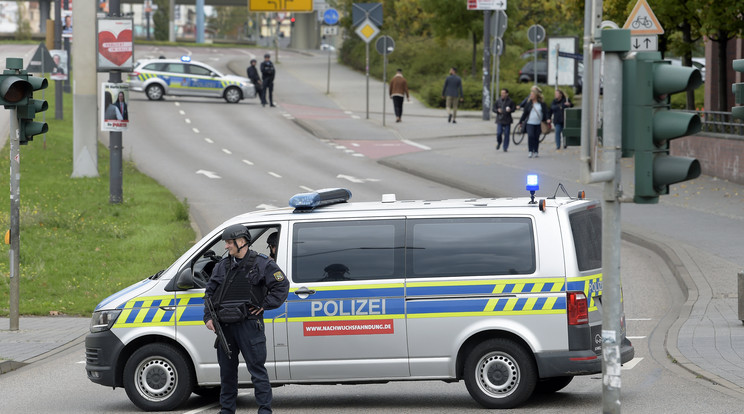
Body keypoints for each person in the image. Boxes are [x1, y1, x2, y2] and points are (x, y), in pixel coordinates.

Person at [203, 224, 289, 414]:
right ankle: (226, 410)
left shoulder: (262, 263)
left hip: (250, 324)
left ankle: (265, 410)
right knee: (227, 374)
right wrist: (208, 317)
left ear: (242, 242)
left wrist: (264, 305)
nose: (226, 247)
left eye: (229, 243)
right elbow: (209, 293)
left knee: (257, 372)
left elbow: (282, 286)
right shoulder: (222, 266)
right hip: (225, 327)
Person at [518, 86, 550, 158]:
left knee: (536, 137)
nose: (531, 96)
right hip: (530, 123)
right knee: (530, 136)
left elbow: (546, 112)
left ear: (536, 95)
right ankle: (530, 151)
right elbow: (525, 113)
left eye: (532, 94)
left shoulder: (541, 104)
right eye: (530, 95)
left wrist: (548, 118)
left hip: (538, 123)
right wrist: (521, 121)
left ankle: (536, 151)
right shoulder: (529, 103)